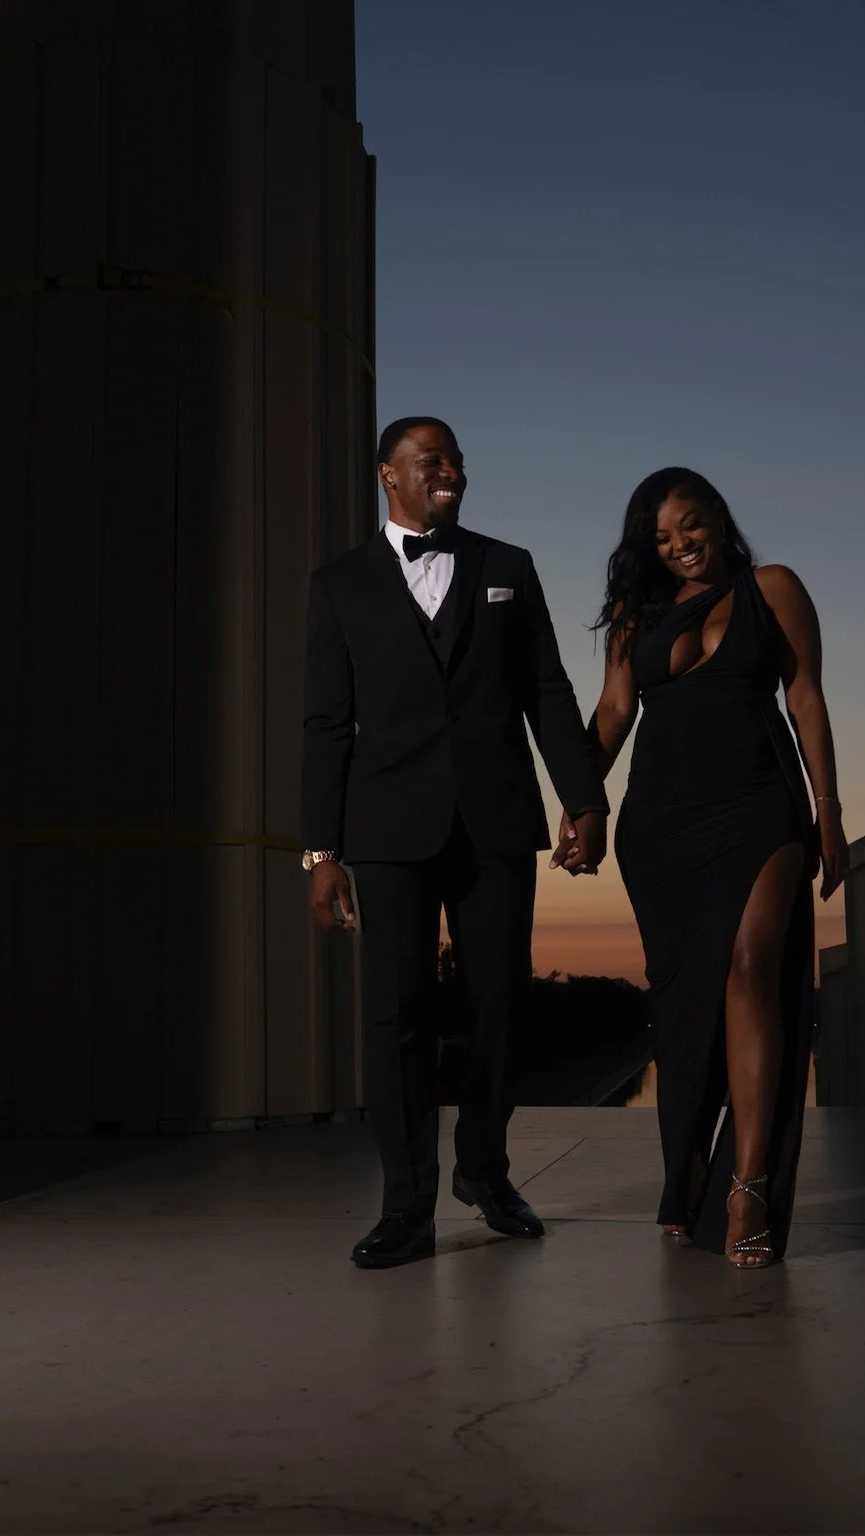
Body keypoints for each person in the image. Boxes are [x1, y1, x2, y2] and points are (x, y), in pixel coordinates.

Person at [301, 417, 609, 1270]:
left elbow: (547, 688)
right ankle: (406, 1208)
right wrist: (319, 853)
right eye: (432, 460)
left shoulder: (508, 566)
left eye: (457, 462)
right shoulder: (340, 584)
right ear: (387, 476)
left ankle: (484, 1169)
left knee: (499, 1008)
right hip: (387, 831)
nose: (451, 472)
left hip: (496, 822)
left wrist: (584, 800)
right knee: (395, 1018)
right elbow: (325, 726)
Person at [567, 468, 845, 1266]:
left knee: (752, 970)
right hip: (660, 829)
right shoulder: (637, 614)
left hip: (760, 806)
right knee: (686, 1013)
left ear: (718, 517)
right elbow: (616, 710)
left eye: (689, 524)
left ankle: (749, 1186)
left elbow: (807, 698)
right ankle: (689, 1173)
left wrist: (828, 810)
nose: (680, 544)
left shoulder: (773, 587)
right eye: (660, 537)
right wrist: (584, 804)